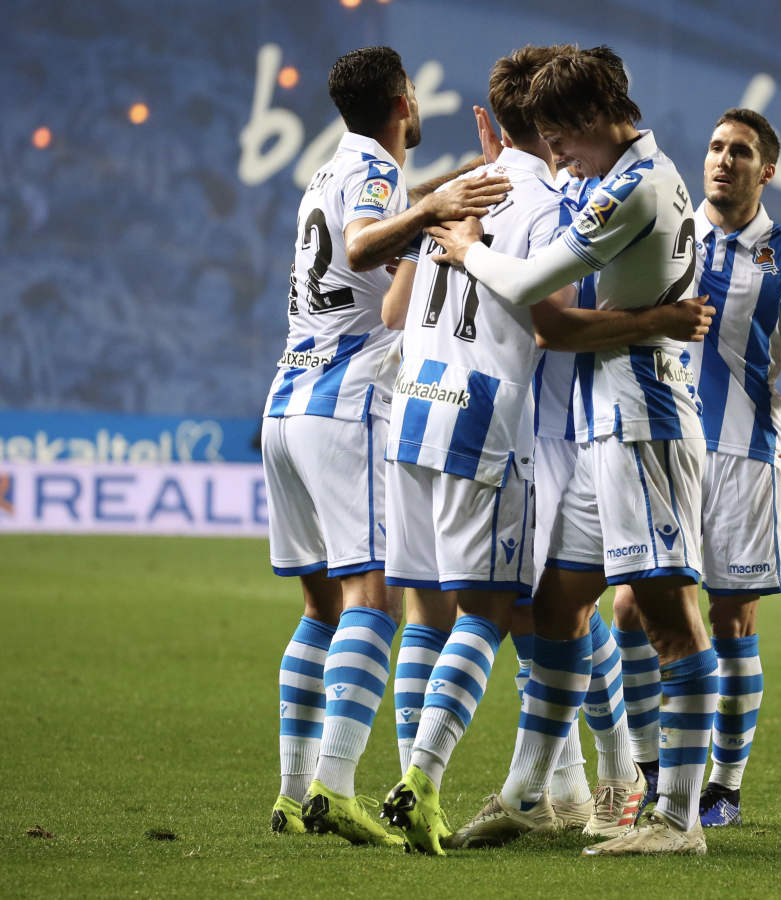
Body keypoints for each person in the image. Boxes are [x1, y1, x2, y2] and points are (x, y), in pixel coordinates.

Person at [372, 46, 713, 855]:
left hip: (644, 417)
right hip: (601, 422)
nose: (554, 157)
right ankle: (533, 794)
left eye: (561, 138)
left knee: (668, 618)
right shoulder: (599, 180)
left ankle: (677, 819)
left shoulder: (636, 186)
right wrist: (444, 197)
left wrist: (462, 247)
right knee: (561, 605)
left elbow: (535, 298)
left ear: (595, 118)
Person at [263, 45, 508, 845]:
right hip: (347, 396)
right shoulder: (375, 178)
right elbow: (367, 245)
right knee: (372, 599)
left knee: (319, 605)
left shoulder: (333, 167)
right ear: (405, 99)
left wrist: (467, 177)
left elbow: (384, 219)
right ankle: (334, 787)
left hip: (288, 399)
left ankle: (293, 792)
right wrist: (434, 209)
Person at [609, 108, 781, 829]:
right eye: (714, 147)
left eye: (740, 152)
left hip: (744, 457)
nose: (722, 160)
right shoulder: (670, 233)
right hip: (665, 441)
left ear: (766, 170)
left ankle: (724, 786)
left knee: (733, 622)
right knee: (631, 608)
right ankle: (649, 769)